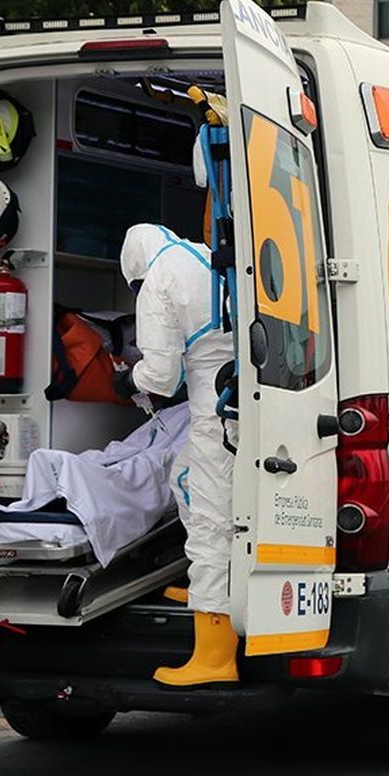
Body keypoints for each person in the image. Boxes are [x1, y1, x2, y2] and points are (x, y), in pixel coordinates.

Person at [114, 224, 238, 687]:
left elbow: (162, 378)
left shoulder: (159, 278)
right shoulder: (203, 258)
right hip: (236, 405)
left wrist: (129, 381)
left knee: (210, 519)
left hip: (213, 415)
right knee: (184, 477)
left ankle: (214, 654)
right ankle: (210, 590)